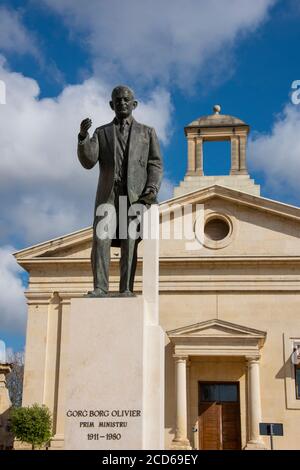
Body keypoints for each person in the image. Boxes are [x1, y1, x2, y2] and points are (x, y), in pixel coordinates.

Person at [78, 85, 163, 297]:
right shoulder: (102, 132)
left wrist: (151, 188)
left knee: (130, 241)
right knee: (101, 239)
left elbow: (155, 164)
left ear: (134, 104)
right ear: (111, 105)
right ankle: (100, 287)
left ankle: (126, 287)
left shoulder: (147, 132)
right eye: (118, 101)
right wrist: (82, 137)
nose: (122, 103)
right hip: (108, 194)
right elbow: (88, 161)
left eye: (126, 100)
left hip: (134, 196)